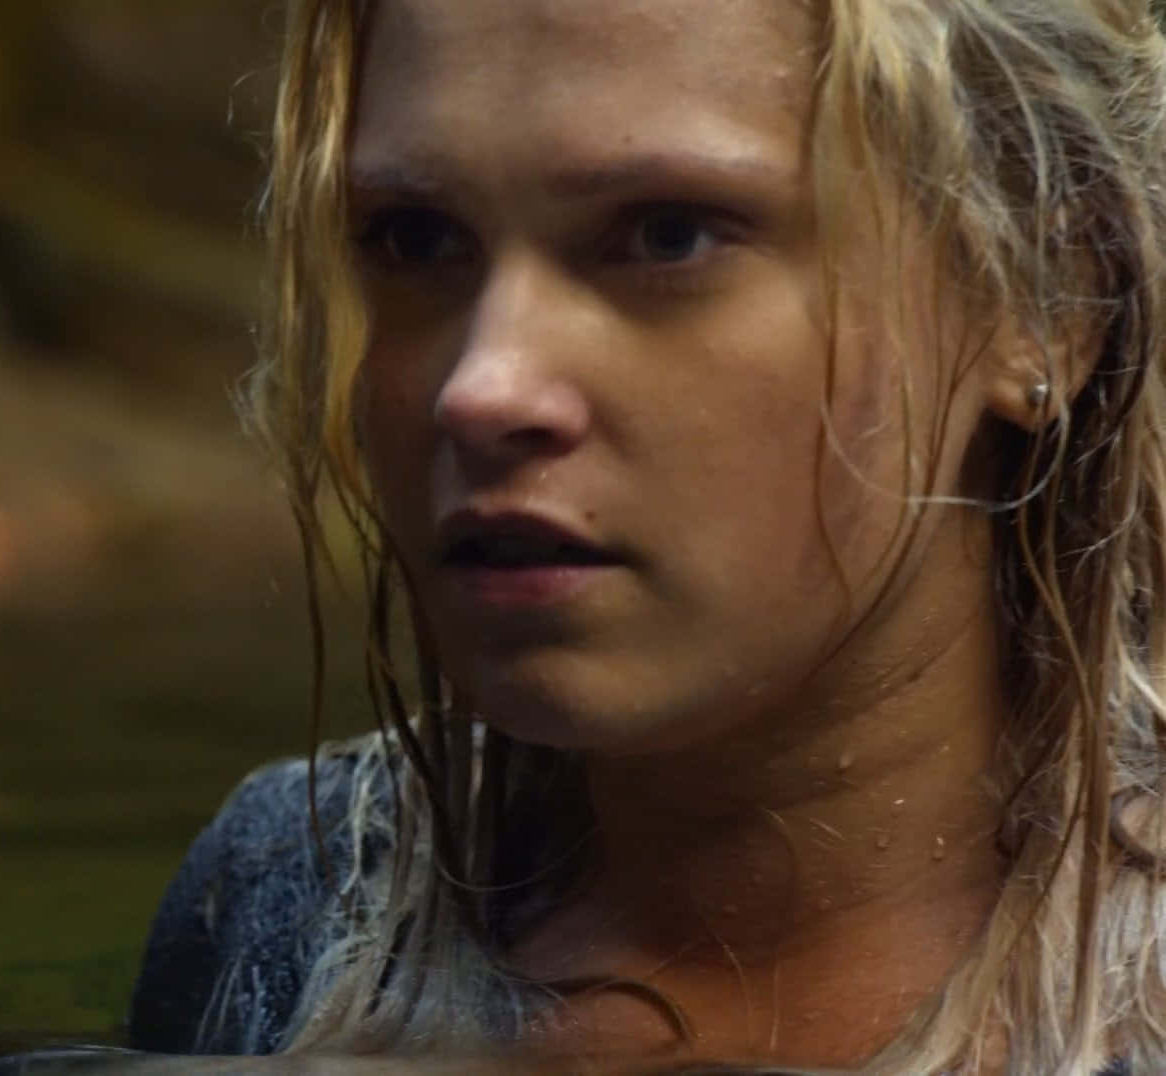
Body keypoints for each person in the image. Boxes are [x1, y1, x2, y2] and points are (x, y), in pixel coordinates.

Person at [125, 0, 1166, 1073]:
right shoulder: (287, 901)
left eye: (668, 234)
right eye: (416, 238)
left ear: (1047, 295)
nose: (481, 388)